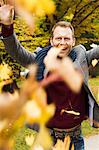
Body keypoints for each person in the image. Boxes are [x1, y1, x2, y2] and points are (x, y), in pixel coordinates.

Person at [0, 5, 99, 150]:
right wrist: (7, 26)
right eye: (59, 38)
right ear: (51, 41)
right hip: (48, 139)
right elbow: (16, 51)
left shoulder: (82, 59)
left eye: (67, 38)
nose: (62, 43)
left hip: (75, 138)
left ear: (73, 41)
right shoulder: (39, 62)